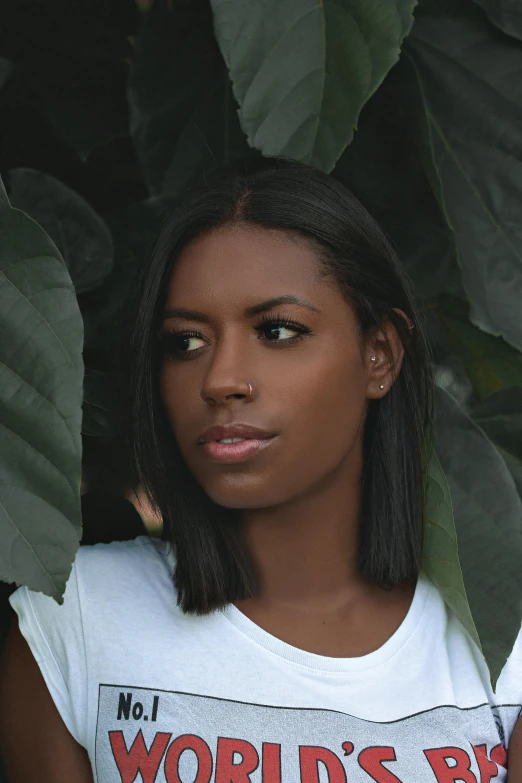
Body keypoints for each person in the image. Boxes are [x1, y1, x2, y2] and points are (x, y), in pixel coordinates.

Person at [0, 158, 521, 782]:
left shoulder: (507, 647)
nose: (220, 380)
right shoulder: (74, 622)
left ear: (379, 355)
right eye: (186, 342)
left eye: (277, 330)